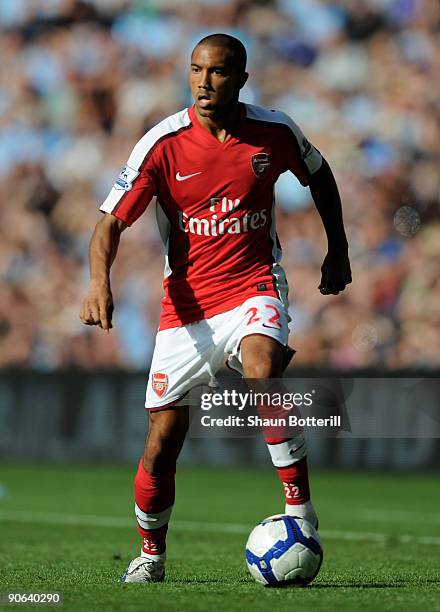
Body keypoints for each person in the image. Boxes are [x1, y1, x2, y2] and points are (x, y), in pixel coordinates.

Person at [80, 33, 351, 583]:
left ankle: (299, 508)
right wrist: (97, 281)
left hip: (254, 285)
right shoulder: (162, 144)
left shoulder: (273, 131)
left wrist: (338, 250)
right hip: (186, 309)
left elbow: (319, 175)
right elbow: (109, 222)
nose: (206, 82)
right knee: (161, 442)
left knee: (262, 369)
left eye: (220, 72)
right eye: (197, 70)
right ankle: (151, 556)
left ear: (241, 80)